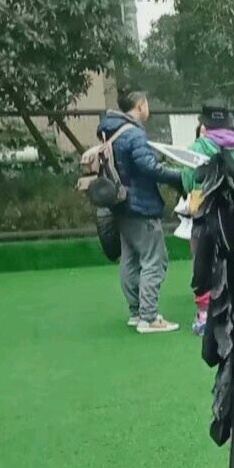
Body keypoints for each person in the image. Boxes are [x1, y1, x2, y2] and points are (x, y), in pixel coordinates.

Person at [97, 89, 183, 333]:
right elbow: (149, 167)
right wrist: (179, 175)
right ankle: (149, 317)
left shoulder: (110, 131)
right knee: (154, 259)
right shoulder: (134, 134)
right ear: (140, 106)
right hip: (140, 205)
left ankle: (136, 312)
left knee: (130, 259)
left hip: (120, 204)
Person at [180, 105, 234, 334]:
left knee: (203, 262)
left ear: (204, 125)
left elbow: (187, 181)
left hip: (204, 216)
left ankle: (204, 316)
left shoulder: (196, 148)